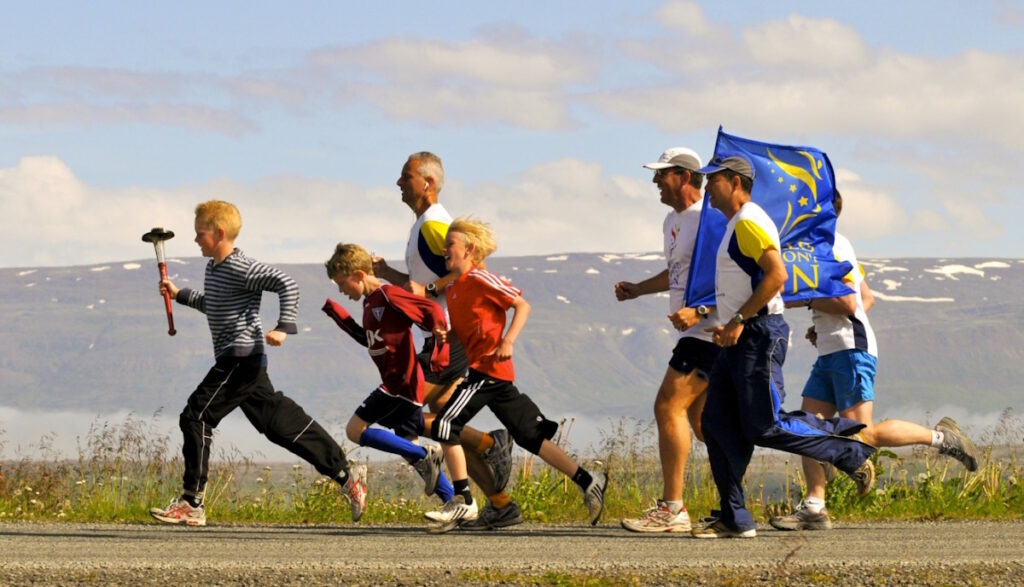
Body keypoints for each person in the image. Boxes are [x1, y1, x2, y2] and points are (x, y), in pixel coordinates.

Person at [690, 156, 876, 539]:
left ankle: (847, 452)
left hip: (757, 334)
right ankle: (734, 517)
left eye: (713, 181)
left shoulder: (750, 221)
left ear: (735, 182)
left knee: (764, 426)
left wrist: (739, 320)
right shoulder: (735, 225)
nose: (707, 187)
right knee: (716, 423)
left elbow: (777, 275)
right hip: (738, 337)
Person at [149, 200, 366, 527]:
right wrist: (179, 294)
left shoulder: (240, 266)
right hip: (242, 361)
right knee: (278, 424)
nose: (195, 240)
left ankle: (192, 501)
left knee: (196, 415)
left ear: (220, 233)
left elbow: (286, 284)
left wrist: (283, 326)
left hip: (240, 358)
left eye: (200, 234)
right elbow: (215, 305)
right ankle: (345, 474)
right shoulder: (215, 269)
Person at [770, 192, 978, 531]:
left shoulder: (831, 248)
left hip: (851, 351)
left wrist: (805, 300)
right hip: (833, 348)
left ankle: (942, 438)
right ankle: (814, 506)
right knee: (808, 428)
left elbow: (849, 304)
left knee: (861, 436)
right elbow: (867, 298)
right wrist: (821, 324)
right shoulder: (834, 244)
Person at [424, 216, 608, 533]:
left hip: (488, 371)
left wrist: (508, 340)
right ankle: (589, 479)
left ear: (469, 249)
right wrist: (447, 338)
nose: (444, 250)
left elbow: (522, 305)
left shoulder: (483, 279)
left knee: (444, 424)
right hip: (492, 377)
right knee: (530, 437)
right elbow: (467, 331)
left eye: (450, 244)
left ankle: (463, 500)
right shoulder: (453, 289)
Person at [373, 151, 520, 529]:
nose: (398, 183)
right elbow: (418, 288)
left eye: (405, 177)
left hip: (449, 339)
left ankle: (490, 445)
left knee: (407, 413)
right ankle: (501, 504)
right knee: (438, 423)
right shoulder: (422, 225)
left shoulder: (435, 224)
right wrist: (384, 273)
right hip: (439, 338)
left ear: (428, 183)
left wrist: (436, 287)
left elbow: (471, 268)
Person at [615, 148, 720, 533]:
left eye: (662, 174)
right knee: (704, 423)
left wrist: (701, 312)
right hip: (697, 330)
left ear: (685, 176)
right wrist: (639, 289)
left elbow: (729, 277)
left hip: (708, 330)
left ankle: (673, 508)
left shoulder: (711, 220)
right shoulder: (671, 221)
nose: (655, 181)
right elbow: (678, 272)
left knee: (667, 406)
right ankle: (733, 501)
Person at [321, 242, 456, 506]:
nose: (341, 290)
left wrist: (441, 342)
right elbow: (368, 339)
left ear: (360, 275)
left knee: (355, 430)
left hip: (400, 382)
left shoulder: (388, 295)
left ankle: (423, 453)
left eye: (342, 283)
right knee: (408, 446)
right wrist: (337, 314)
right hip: (400, 383)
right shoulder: (371, 302)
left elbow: (432, 310)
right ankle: (454, 502)